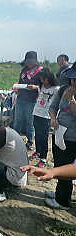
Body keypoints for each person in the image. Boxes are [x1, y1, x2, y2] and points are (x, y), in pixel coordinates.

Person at [45, 62, 76, 210]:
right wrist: (53, 118)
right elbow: (52, 107)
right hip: (59, 134)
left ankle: (62, 201)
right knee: (58, 165)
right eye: (72, 79)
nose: (73, 82)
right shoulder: (63, 89)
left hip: (72, 139)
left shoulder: (70, 94)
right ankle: (59, 193)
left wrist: (71, 101)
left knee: (66, 169)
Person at [13, 51, 43, 150]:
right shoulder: (24, 71)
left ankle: (30, 141)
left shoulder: (40, 72)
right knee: (18, 120)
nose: (28, 63)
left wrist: (34, 87)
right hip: (21, 99)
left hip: (32, 101)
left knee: (30, 122)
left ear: (35, 61)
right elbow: (20, 82)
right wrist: (17, 87)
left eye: (30, 61)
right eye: (27, 61)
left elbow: (44, 87)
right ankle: (15, 139)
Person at [31, 68, 59, 167]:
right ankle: (38, 151)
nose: (42, 81)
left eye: (44, 79)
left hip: (46, 116)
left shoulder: (56, 89)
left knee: (44, 137)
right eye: (41, 79)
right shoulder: (41, 86)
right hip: (36, 113)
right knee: (37, 135)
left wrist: (54, 117)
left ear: (49, 78)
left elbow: (57, 104)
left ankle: (43, 158)